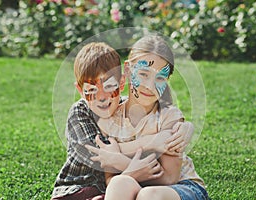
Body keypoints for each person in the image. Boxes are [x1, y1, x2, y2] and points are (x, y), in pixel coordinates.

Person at [51, 42, 190, 200]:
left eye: (110, 86)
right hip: (78, 188)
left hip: (123, 188)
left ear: (121, 83)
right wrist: (150, 143)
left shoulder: (152, 113)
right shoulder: (85, 112)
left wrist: (186, 126)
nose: (102, 97)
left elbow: (169, 177)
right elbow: (99, 153)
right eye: (143, 74)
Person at [87, 36, 209, 200]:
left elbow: (170, 177)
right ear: (128, 70)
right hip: (135, 187)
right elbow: (110, 179)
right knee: (119, 184)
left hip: (180, 188)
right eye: (143, 74)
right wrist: (131, 169)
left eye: (159, 78)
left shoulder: (169, 117)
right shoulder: (111, 120)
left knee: (149, 195)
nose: (149, 86)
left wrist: (120, 160)